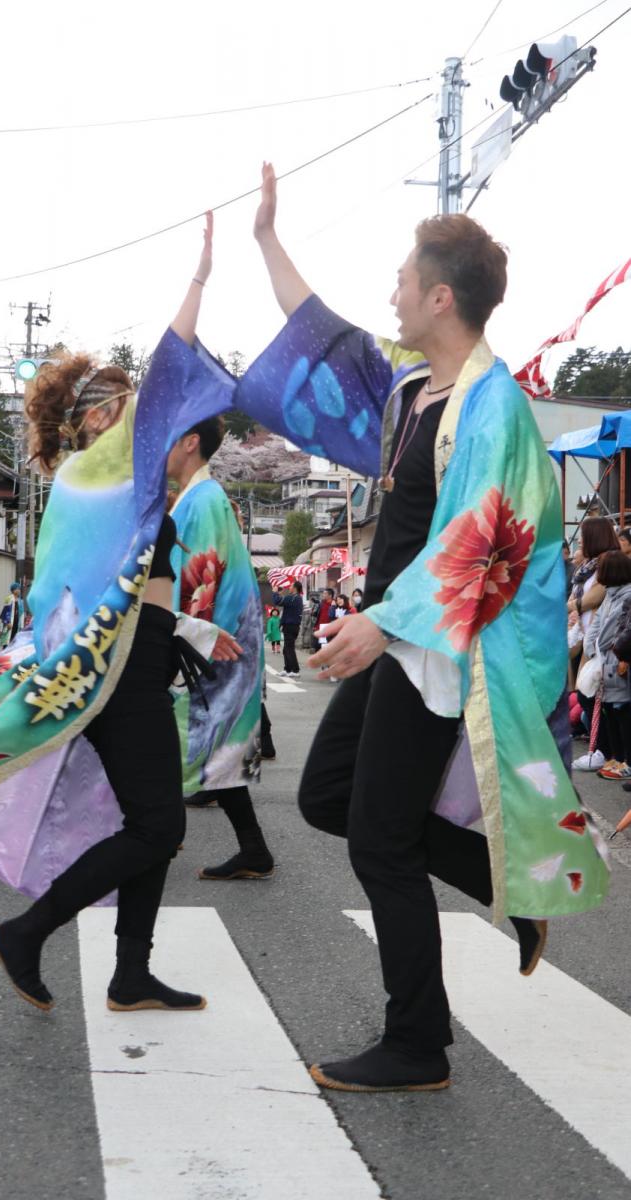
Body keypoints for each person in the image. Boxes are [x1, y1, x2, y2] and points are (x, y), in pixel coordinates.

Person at [227, 163, 608, 1092]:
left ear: (440, 296)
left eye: (403, 280)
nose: (390, 293)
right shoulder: (408, 393)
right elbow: (320, 336)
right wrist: (266, 240)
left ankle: (416, 1043)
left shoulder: (494, 408)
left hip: (438, 645)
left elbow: (489, 538)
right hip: (395, 636)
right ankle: (504, 884)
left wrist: (384, 623)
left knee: (377, 841)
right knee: (326, 799)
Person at [0, 215, 239, 1012]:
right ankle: (29, 931)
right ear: (104, 420)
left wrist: (196, 633)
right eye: (135, 411)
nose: (156, 422)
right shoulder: (103, 468)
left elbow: (133, 590)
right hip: (118, 671)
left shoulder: (93, 486)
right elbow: (172, 362)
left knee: (150, 820)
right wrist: (198, 279)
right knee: (157, 828)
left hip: (124, 660)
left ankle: (131, 971)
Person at [168, 415, 275, 880]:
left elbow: (200, 578)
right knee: (218, 751)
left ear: (191, 443)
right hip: (212, 642)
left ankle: (153, 838)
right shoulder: (201, 497)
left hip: (208, 645)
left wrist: (180, 639)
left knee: (185, 743)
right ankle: (252, 850)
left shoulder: (204, 498)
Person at [569, 517, 620, 771]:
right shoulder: (586, 567)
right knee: (587, 693)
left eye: (582, 537)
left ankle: (605, 751)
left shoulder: (607, 562)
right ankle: (603, 751)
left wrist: (573, 605)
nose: (579, 541)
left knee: (598, 696)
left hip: (603, 639)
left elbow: (593, 598)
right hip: (585, 635)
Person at [583, 551, 631, 780]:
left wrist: (612, 651)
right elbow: (597, 624)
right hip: (605, 660)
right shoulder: (610, 597)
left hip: (619, 659)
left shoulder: (627, 595)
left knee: (622, 710)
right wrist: (592, 649)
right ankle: (616, 756)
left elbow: (620, 630)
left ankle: (626, 761)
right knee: (609, 709)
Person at [277, 580, 303, 677]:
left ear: (295, 588)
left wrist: (276, 592)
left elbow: (278, 601)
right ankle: (287, 669)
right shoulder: (296, 598)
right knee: (286, 648)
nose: (289, 587)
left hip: (291, 626)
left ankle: (295, 670)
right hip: (290, 625)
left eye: (291, 586)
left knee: (289, 648)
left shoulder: (294, 598)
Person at [0, 582, 25, 650]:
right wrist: (7, 622)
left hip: (17, 624)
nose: (19, 590)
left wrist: (22, 626)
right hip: (9, 624)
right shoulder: (8, 598)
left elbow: (22, 614)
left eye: (19, 589)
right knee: (7, 640)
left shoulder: (20, 601)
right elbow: (5, 611)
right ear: (13, 590)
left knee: (14, 640)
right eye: (17, 589)